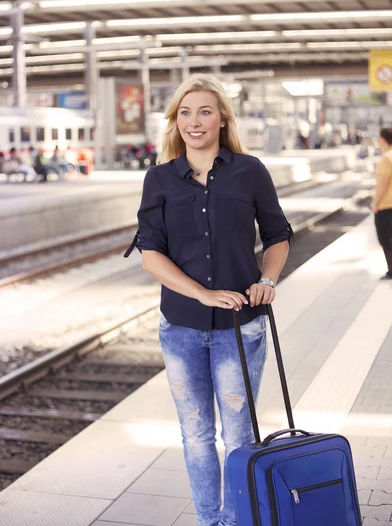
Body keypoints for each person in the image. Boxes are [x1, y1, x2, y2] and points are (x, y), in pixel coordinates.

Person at [124, 74, 293, 526]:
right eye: (184, 112)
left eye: (204, 111)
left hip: (241, 329)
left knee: (238, 434)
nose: (194, 121)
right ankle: (209, 520)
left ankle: (238, 520)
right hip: (180, 328)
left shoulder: (250, 170)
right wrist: (202, 294)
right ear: (175, 122)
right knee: (196, 434)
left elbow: (278, 236)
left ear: (222, 120)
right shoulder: (159, 178)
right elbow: (151, 255)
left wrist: (268, 280)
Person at [373, 127, 392, 280]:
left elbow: (384, 183)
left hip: (386, 205)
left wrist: (376, 203)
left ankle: (391, 270)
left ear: (384, 139)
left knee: (385, 238)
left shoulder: (387, 157)